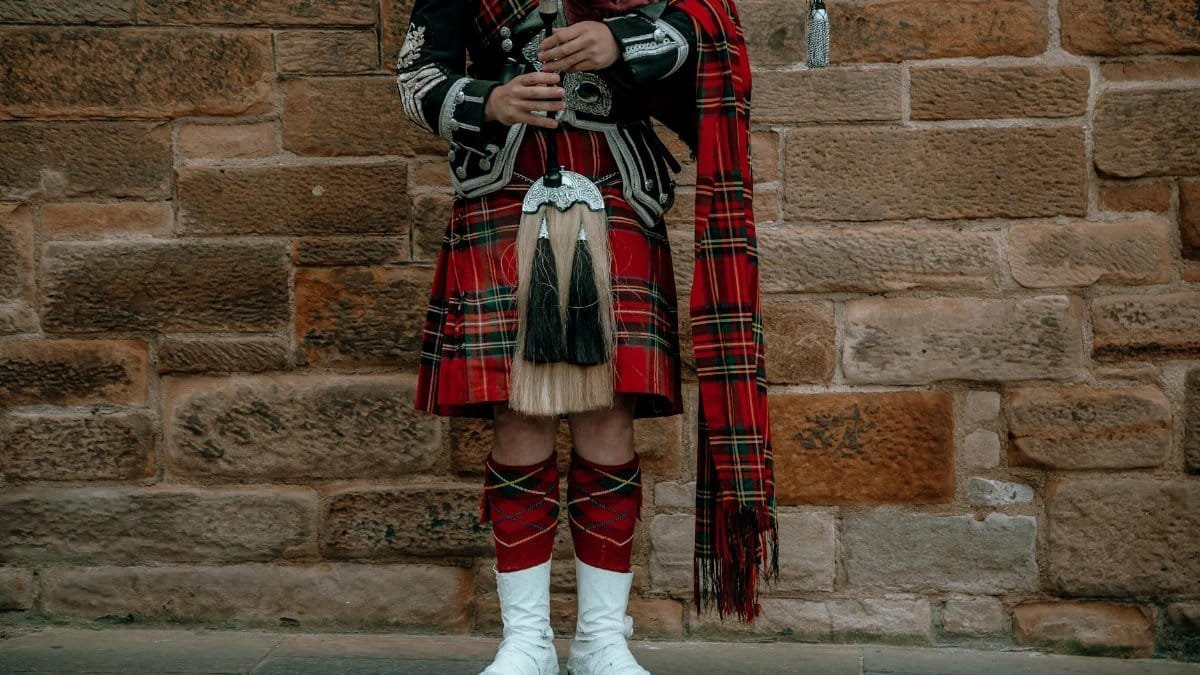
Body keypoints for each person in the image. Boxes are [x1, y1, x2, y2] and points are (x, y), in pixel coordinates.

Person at [396, 1, 778, 673]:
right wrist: (491, 100)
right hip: (503, 188)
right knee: (519, 415)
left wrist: (618, 40)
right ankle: (527, 642)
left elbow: (703, 24)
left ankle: (603, 640)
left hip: (618, 189)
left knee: (608, 415)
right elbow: (416, 74)